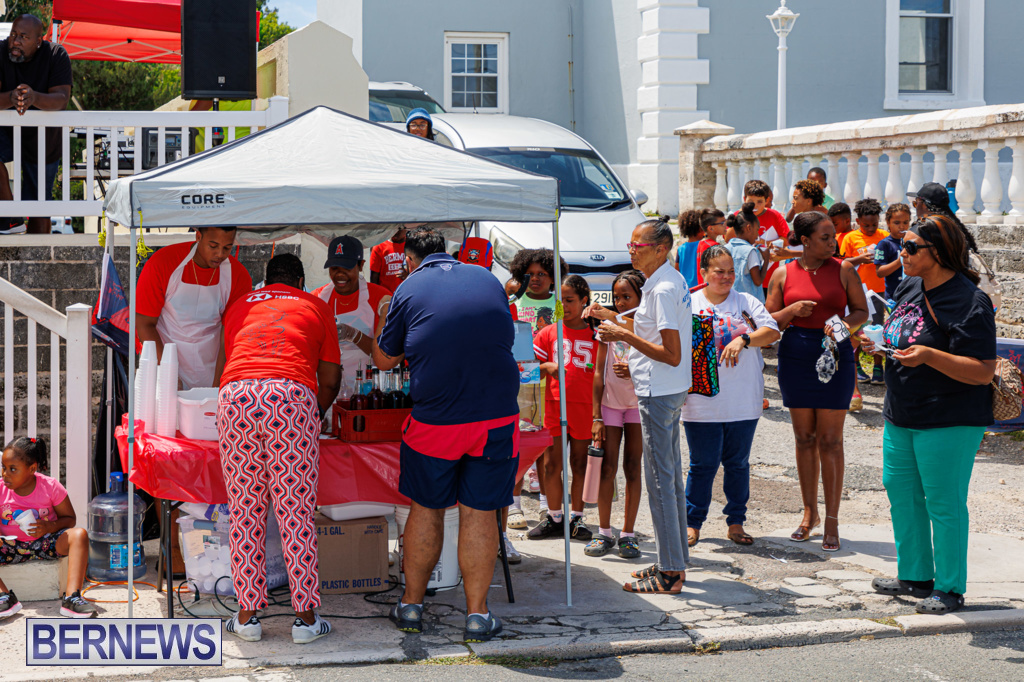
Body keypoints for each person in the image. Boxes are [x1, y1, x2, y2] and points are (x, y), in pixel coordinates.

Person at [373, 227, 519, 643]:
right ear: (449, 253)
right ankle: (477, 616)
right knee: (479, 511)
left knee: (426, 508)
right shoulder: (486, 277)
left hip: (436, 420)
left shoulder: (409, 286)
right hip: (495, 415)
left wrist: (386, 316)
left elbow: (384, 359)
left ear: (409, 258)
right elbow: (503, 338)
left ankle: (412, 606)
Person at [864, 214, 996, 615]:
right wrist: (880, 344)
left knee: (943, 502)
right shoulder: (908, 284)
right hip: (901, 412)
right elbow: (900, 331)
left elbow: (983, 370)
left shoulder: (969, 301)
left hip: (950, 417)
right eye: (901, 245)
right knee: (902, 494)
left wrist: (928, 356)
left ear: (937, 253)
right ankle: (916, 577)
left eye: (910, 247)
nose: (900, 253)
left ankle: (950, 587)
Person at [216, 254, 341, 644]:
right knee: (295, 510)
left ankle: (247, 618)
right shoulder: (316, 305)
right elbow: (331, 378)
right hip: (289, 397)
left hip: (235, 397)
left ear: (264, 281)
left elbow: (224, 363)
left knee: (245, 512)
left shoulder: (239, 306)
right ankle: (305, 622)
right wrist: (313, 413)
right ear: (301, 281)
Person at [585, 218, 691, 594]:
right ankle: (673, 563)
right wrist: (614, 322)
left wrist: (620, 333)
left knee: (660, 482)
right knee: (670, 480)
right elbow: (649, 333)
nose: (631, 251)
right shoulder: (667, 280)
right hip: (666, 390)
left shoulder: (661, 288)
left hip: (659, 390)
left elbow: (671, 353)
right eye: (630, 245)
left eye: (637, 246)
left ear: (660, 249)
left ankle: (670, 571)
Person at [766, 212, 868, 553]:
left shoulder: (844, 269)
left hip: (835, 355)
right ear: (804, 240)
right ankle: (809, 515)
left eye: (832, 236)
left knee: (831, 440)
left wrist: (841, 326)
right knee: (804, 437)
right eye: (825, 237)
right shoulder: (782, 273)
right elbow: (770, 323)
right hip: (795, 356)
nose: (833, 242)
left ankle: (833, 520)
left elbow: (861, 311)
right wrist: (792, 310)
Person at [683, 246, 780, 548]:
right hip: (701, 401)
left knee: (737, 464)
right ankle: (692, 521)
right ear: (704, 273)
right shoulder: (689, 304)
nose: (726, 277)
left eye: (730, 272)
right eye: (718, 271)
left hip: (742, 400)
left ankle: (735, 521)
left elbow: (772, 331)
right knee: (703, 464)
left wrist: (744, 338)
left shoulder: (747, 302)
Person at [137, 227, 253, 389]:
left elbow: (228, 334)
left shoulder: (238, 275)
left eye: (227, 247)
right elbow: (144, 323)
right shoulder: (163, 263)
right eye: (213, 246)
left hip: (213, 369)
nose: (220, 254)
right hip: (163, 364)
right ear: (198, 236)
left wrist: (218, 384)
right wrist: (168, 374)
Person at [528, 275, 596, 542]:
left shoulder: (596, 332)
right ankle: (554, 517)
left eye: (570, 301)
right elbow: (530, 372)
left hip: (585, 408)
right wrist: (546, 368)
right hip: (555, 406)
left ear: (583, 301)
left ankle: (577, 518)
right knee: (551, 464)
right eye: (560, 301)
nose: (564, 306)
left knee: (580, 464)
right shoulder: (547, 332)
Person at [0, 437, 95, 619]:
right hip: (10, 547)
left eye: (13, 469)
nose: (5, 474)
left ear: (32, 469)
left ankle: (72, 598)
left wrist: (48, 527)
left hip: (45, 544)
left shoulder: (50, 487)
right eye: (4, 467)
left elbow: (70, 519)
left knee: (80, 535)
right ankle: (4, 597)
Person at [587, 270, 645, 559]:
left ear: (641, 298)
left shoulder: (644, 326)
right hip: (610, 406)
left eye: (628, 297)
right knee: (606, 468)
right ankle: (604, 532)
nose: (621, 303)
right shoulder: (606, 329)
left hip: (636, 406)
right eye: (618, 297)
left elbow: (652, 356)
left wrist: (633, 372)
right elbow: (598, 372)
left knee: (633, 468)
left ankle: (629, 534)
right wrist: (596, 416)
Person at [0, 15, 72, 235]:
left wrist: (33, 98)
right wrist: (11, 98)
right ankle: (11, 218)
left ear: (39, 41)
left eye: (23, 37)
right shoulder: (0, 50)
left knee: (39, 200)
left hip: (44, 138)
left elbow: (61, 98)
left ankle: (38, 254)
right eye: (13, 34)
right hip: (5, 131)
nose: (15, 41)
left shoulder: (56, 54)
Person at [312, 236, 392, 390]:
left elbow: (385, 355)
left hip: (369, 389)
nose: (340, 275)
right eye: (334, 269)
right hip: (330, 391)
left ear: (361, 265)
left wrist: (355, 335)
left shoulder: (380, 298)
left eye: (347, 269)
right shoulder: (318, 299)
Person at [843, 198, 890, 386]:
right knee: (857, 330)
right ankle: (857, 366)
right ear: (858, 222)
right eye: (866, 225)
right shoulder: (850, 238)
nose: (870, 229)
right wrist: (860, 259)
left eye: (874, 225)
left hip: (879, 291)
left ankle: (878, 367)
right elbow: (843, 263)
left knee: (877, 329)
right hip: (858, 292)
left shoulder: (884, 236)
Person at [743, 180, 790, 293]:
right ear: (744, 200)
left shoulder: (775, 216)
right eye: (751, 201)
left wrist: (764, 242)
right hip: (744, 277)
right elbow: (728, 239)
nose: (755, 205)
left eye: (759, 201)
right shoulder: (738, 216)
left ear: (767, 201)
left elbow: (786, 240)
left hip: (768, 276)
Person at [726, 202, 770, 302]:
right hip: (748, 305)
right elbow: (758, 281)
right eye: (757, 230)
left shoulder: (726, 248)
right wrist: (766, 259)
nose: (757, 235)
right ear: (749, 228)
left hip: (729, 301)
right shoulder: (751, 252)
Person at [875, 203, 910, 300]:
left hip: (912, 294)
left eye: (905, 222)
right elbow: (880, 272)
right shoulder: (884, 244)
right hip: (894, 297)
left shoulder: (912, 242)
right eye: (897, 223)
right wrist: (899, 261)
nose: (902, 227)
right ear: (888, 222)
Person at [370, 228, 408, 293]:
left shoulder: (411, 244)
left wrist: (408, 275)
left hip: (406, 294)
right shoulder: (379, 246)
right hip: (386, 296)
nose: (395, 232)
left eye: (399, 229)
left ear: (406, 228)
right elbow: (374, 276)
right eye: (393, 228)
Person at [695, 208, 727, 285]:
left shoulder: (701, 243)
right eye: (722, 223)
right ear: (711, 228)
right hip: (713, 289)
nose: (725, 225)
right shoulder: (714, 247)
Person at [675, 209, 703, 286]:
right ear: (700, 229)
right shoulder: (703, 245)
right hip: (700, 288)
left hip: (685, 288)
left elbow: (677, 270)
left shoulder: (680, 249)